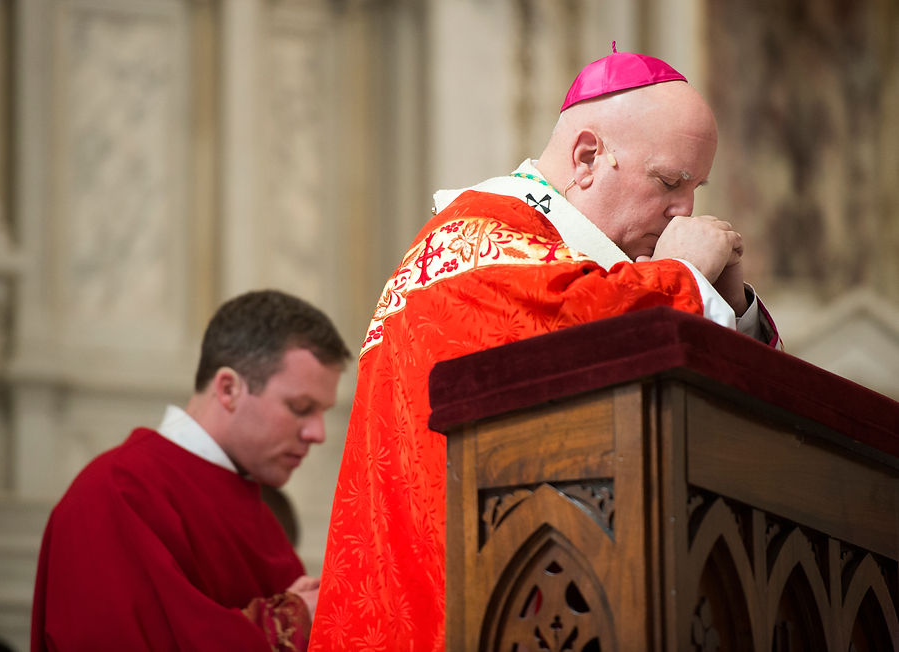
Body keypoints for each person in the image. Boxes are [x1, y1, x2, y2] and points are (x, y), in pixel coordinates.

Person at [308, 45, 780, 651]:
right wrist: (682, 275)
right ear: (587, 157)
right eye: (669, 182)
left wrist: (730, 305)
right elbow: (599, 335)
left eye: (696, 188)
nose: (685, 210)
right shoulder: (477, 246)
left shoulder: (557, 259)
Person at [31, 290, 351, 652]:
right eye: (301, 407)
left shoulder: (263, 518)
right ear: (228, 389)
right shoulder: (117, 491)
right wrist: (293, 618)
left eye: (322, 412)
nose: (318, 434)